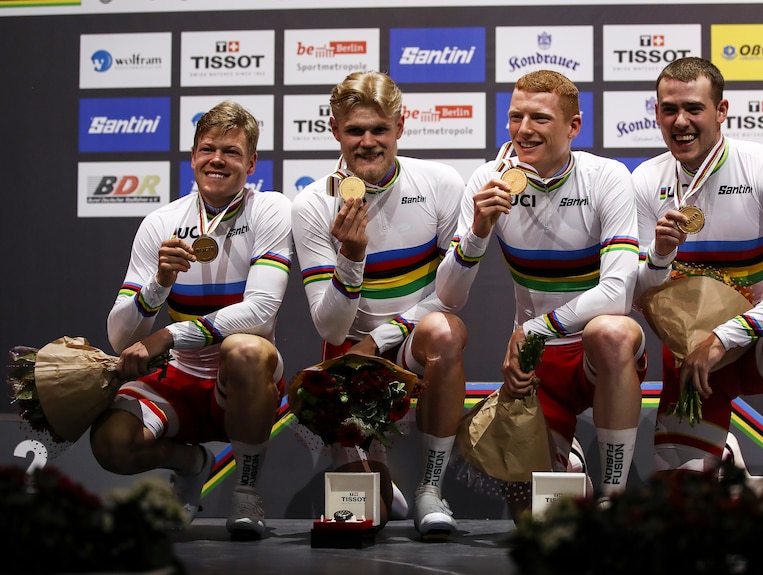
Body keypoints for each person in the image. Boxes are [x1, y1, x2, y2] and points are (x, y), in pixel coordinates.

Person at [435, 69, 647, 515]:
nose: (524, 130)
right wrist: (477, 232)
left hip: (595, 353)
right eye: (515, 117)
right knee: (533, 519)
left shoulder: (607, 177)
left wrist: (535, 328)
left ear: (573, 127)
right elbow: (450, 297)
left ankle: (613, 493)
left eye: (540, 118)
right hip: (537, 364)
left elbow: (617, 293)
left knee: (610, 331)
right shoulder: (487, 180)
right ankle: (566, 461)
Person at [633, 57, 763, 490]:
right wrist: (658, 255)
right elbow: (633, 297)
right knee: (684, 504)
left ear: (722, 111)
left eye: (694, 108)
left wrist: (725, 338)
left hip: (758, 348)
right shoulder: (644, 182)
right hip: (693, 367)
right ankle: (722, 455)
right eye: (669, 109)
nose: (681, 121)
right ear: (656, 114)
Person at [90, 101, 293, 539]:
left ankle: (247, 490)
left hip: (240, 380)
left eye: (232, 152)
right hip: (180, 379)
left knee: (246, 350)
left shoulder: (270, 210)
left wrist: (170, 332)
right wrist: (159, 284)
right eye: (207, 148)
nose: (217, 159)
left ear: (252, 162)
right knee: (110, 444)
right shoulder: (161, 222)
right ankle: (191, 464)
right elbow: (119, 335)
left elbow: (261, 310)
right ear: (193, 155)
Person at [290, 71, 468, 538]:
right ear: (334, 131)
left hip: (412, 341)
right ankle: (383, 485)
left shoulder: (440, 182)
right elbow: (330, 329)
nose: (368, 142)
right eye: (355, 131)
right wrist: (351, 257)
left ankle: (431, 490)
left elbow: (451, 298)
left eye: (379, 130)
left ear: (400, 128)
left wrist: (381, 337)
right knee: (362, 519)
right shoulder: (312, 204)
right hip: (350, 360)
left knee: (446, 331)